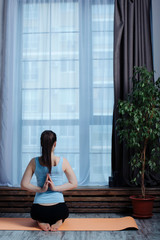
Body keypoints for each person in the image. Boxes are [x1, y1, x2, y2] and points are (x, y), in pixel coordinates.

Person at [21, 130, 77, 231]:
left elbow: (24, 184)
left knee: (36, 215)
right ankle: (59, 220)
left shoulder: (34, 162)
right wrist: (56, 188)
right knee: (64, 213)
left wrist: (41, 190)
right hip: (59, 209)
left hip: (39, 210)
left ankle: (40, 221)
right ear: (55, 144)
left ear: (41, 144)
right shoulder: (63, 161)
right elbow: (74, 183)